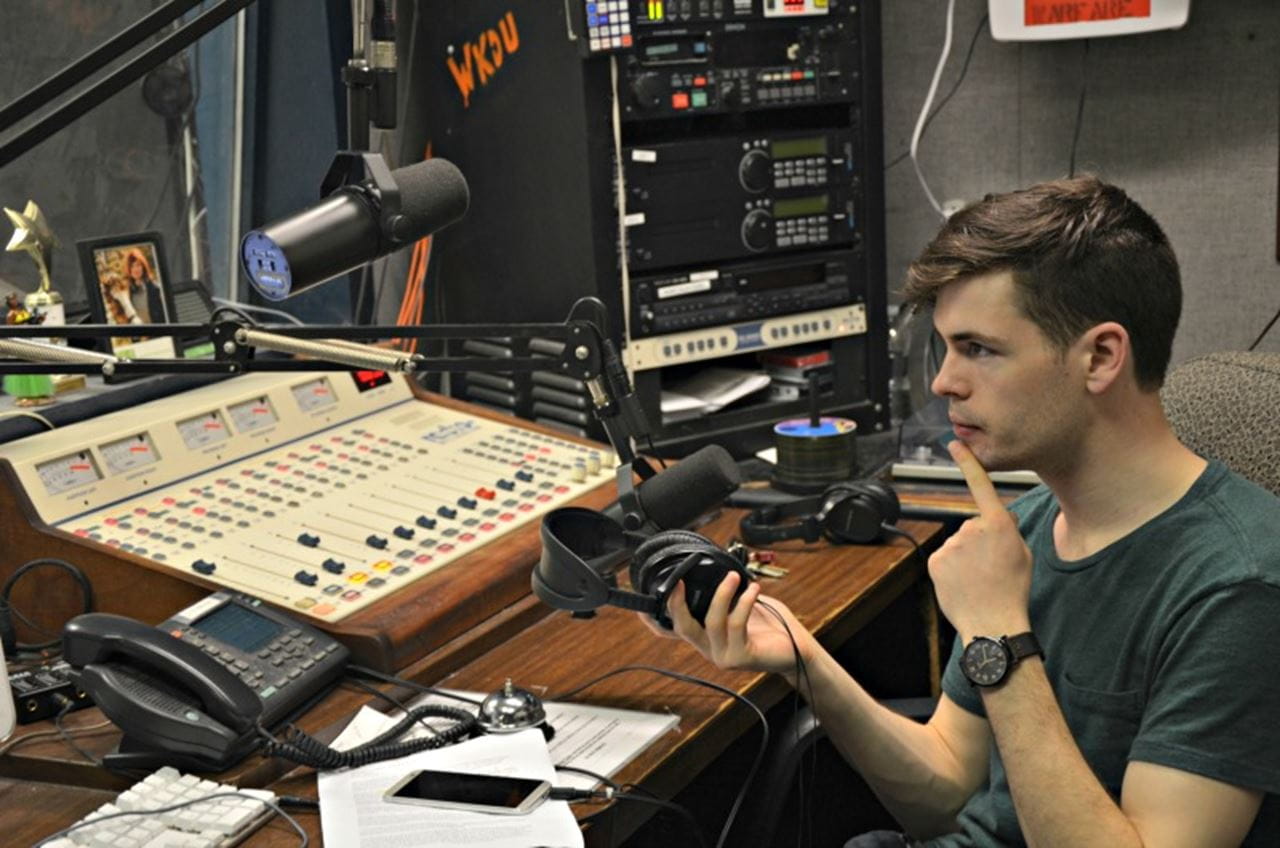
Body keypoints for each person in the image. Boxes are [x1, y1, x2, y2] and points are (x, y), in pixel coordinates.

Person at [659, 176, 1280, 846]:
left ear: (1100, 356)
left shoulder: (1240, 587)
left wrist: (997, 634)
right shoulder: (1032, 527)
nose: (943, 381)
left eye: (979, 349)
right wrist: (803, 661)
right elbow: (952, 793)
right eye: (948, 347)